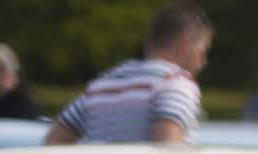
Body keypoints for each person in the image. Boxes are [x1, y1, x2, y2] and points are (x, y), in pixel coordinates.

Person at [46, 2, 211, 145]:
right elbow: (168, 149)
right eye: (202, 52)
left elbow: (53, 142)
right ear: (185, 44)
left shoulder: (101, 85)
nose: (203, 62)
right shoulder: (176, 83)